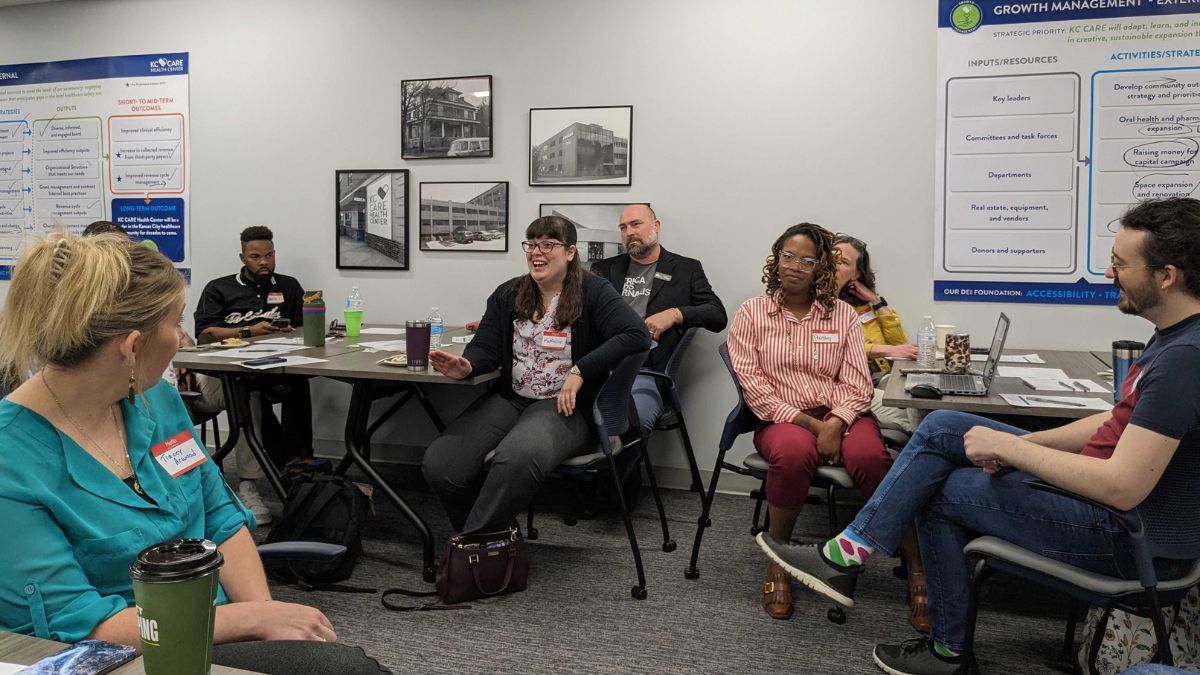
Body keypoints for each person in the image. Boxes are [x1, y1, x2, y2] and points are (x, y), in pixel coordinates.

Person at [756, 197, 1200, 675]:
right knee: (945, 424)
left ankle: (940, 644)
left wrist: (1009, 449)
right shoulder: (1173, 335)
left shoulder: (1183, 359)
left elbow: (1122, 485)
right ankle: (851, 551)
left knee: (938, 491)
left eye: (1119, 263)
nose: (1109, 273)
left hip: (1128, 539)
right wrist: (1024, 446)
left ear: (1166, 275)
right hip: (1112, 512)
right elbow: (1111, 422)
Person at [0, 232, 389, 674]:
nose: (182, 337)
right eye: (175, 322)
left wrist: (266, 624)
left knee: (326, 663)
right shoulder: (10, 459)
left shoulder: (155, 403)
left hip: (210, 628)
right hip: (119, 654)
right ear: (131, 347)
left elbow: (220, 518)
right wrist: (253, 618)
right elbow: (80, 627)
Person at [422, 216, 650, 535]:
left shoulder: (594, 291)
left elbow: (636, 334)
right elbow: (485, 347)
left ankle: (472, 547)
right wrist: (468, 365)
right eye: (531, 244)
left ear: (570, 252)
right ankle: (493, 538)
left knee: (517, 458)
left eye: (548, 244)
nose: (536, 252)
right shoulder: (509, 293)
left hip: (564, 406)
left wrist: (580, 369)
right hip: (511, 399)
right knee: (442, 463)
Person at [727, 222, 891, 620]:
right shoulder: (752, 312)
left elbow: (857, 381)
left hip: (842, 413)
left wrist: (836, 422)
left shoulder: (843, 316)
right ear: (775, 258)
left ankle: (918, 566)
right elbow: (756, 389)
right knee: (792, 453)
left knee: (872, 459)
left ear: (821, 267)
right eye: (787, 256)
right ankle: (779, 560)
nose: (795, 266)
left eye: (806, 260)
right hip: (782, 417)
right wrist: (816, 428)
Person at [832, 233, 929, 630]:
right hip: (850, 391)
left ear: (857, 272)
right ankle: (923, 506)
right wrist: (884, 353)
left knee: (926, 413)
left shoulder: (858, 304)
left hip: (880, 384)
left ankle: (921, 501)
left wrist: (876, 302)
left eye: (844, 261)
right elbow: (835, 348)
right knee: (926, 421)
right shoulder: (818, 304)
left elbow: (901, 343)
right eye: (832, 257)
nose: (834, 264)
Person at [194, 225, 312, 507]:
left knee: (299, 384)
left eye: (269, 256)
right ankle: (249, 485)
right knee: (247, 394)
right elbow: (204, 335)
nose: (264, 262)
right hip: (224, 372)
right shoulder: (219, 288)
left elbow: (304, 327)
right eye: (256, 256)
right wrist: (249, 331)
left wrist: (290, 333)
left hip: (272, 365)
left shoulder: (289, 285)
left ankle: (299, 464)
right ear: (242, 257)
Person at [590, 203, 727, 434]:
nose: (629, 232)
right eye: (623, 227)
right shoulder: (604, 269)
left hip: (644, 371)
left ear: (656, 226)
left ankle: (614, 470)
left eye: (636, 224)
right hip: (601, 367)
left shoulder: (686, 269)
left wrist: (675, 314)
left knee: (631, 422)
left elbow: (717, 315)